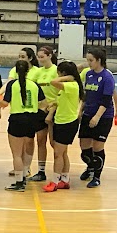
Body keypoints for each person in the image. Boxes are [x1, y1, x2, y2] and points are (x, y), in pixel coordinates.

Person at [0, 60, 46, 192]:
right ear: (28, 71)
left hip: (17, 119)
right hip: (31, 119)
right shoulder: (34, 85)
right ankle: (26, 172)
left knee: (17, 154)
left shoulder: (12, 85)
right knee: (28, 147)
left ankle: (19, 182)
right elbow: (44, 103)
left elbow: (4, 103)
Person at [79, 47, 117, 188]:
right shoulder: (89, 75)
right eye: (87, 60)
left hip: (103, 117)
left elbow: (106, 99)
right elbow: (86, 96)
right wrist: (80, 111)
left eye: (91, 60)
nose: (89, 63)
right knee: (84, 149)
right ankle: (90, 167)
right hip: (88, 113)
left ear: (99, 60)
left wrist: (97, 117)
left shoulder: (107, 77)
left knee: (97, 147)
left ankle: (97, 176)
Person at [43, 61, 85, 192]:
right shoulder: (67, 87)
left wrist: (69, 77)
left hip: (67, 123)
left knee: (57, 154)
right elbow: (62, 99)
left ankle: (55, 181)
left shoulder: (72, 85)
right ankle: (65, 179)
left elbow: (53, 82)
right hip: (60, 121)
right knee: (63, 152)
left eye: (59, 73)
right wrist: (53, 104)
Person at [29, 46, 58, 182]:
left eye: (42, 57)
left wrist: (53, 106)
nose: (40, 59)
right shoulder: (37, 72)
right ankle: (41, 171)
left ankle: (61, 171)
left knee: (55, 143)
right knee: (40, 140)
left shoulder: (56, 71)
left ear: (50, 56)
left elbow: (61, 91)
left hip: (54, 109)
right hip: (39, 110)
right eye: (38, 57)